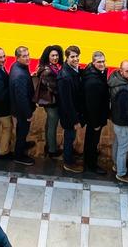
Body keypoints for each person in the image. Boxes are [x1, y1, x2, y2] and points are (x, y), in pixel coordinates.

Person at [56, 45, 85, 173]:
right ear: (67, 58)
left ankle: (69, 156)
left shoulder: (72, 70)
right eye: (72, 57)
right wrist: (75, 120)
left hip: (72, 112)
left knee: (70, 136)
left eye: (77, 56)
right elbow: (67, 102)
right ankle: (68, 163)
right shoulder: (65, 77)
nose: (75, 59)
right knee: (69, 137)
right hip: (69, 115)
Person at [82, 51, 109, 174]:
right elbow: (92, 105)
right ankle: (91, 164)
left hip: (95, 116)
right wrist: (95, 123)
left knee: (91, 140)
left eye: (103, 61)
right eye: (99, 62)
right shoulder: (93, 82)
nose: (102, 64)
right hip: (95, 119)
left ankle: (89, 158)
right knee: (92, 141)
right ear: (93, 63)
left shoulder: (95, 72)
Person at [109, 59, 128, 182]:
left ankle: (116, 165)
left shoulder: (115, 81)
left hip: (117, 121)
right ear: (121, 72)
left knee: (117, 144)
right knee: (123, 149)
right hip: (124, 124)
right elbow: (125, 111)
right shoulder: (124, 89)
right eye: (127, 71)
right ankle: (121, 173)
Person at [9, 46, 36, 165]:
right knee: (22, 131)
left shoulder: (16, 66)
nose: (27, 58)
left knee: (21, 130)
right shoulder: (20, 75)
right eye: (24, 56)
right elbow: (22, 98)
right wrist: (28, 114)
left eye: (28, 55)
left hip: (18, 108)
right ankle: (19, 155)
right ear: (17, 58)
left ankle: (22, 144)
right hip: (22, 111)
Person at [35, 45, 63, 156]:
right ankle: (52, 150)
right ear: (48, 56)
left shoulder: (49, 67)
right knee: (53, 125)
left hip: (49, 101)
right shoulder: (47, 71)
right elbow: (54, 88)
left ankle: (48, 145)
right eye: (53, 55)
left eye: (57, 55)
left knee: (49, 123)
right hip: (51, 102)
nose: (55, 57)